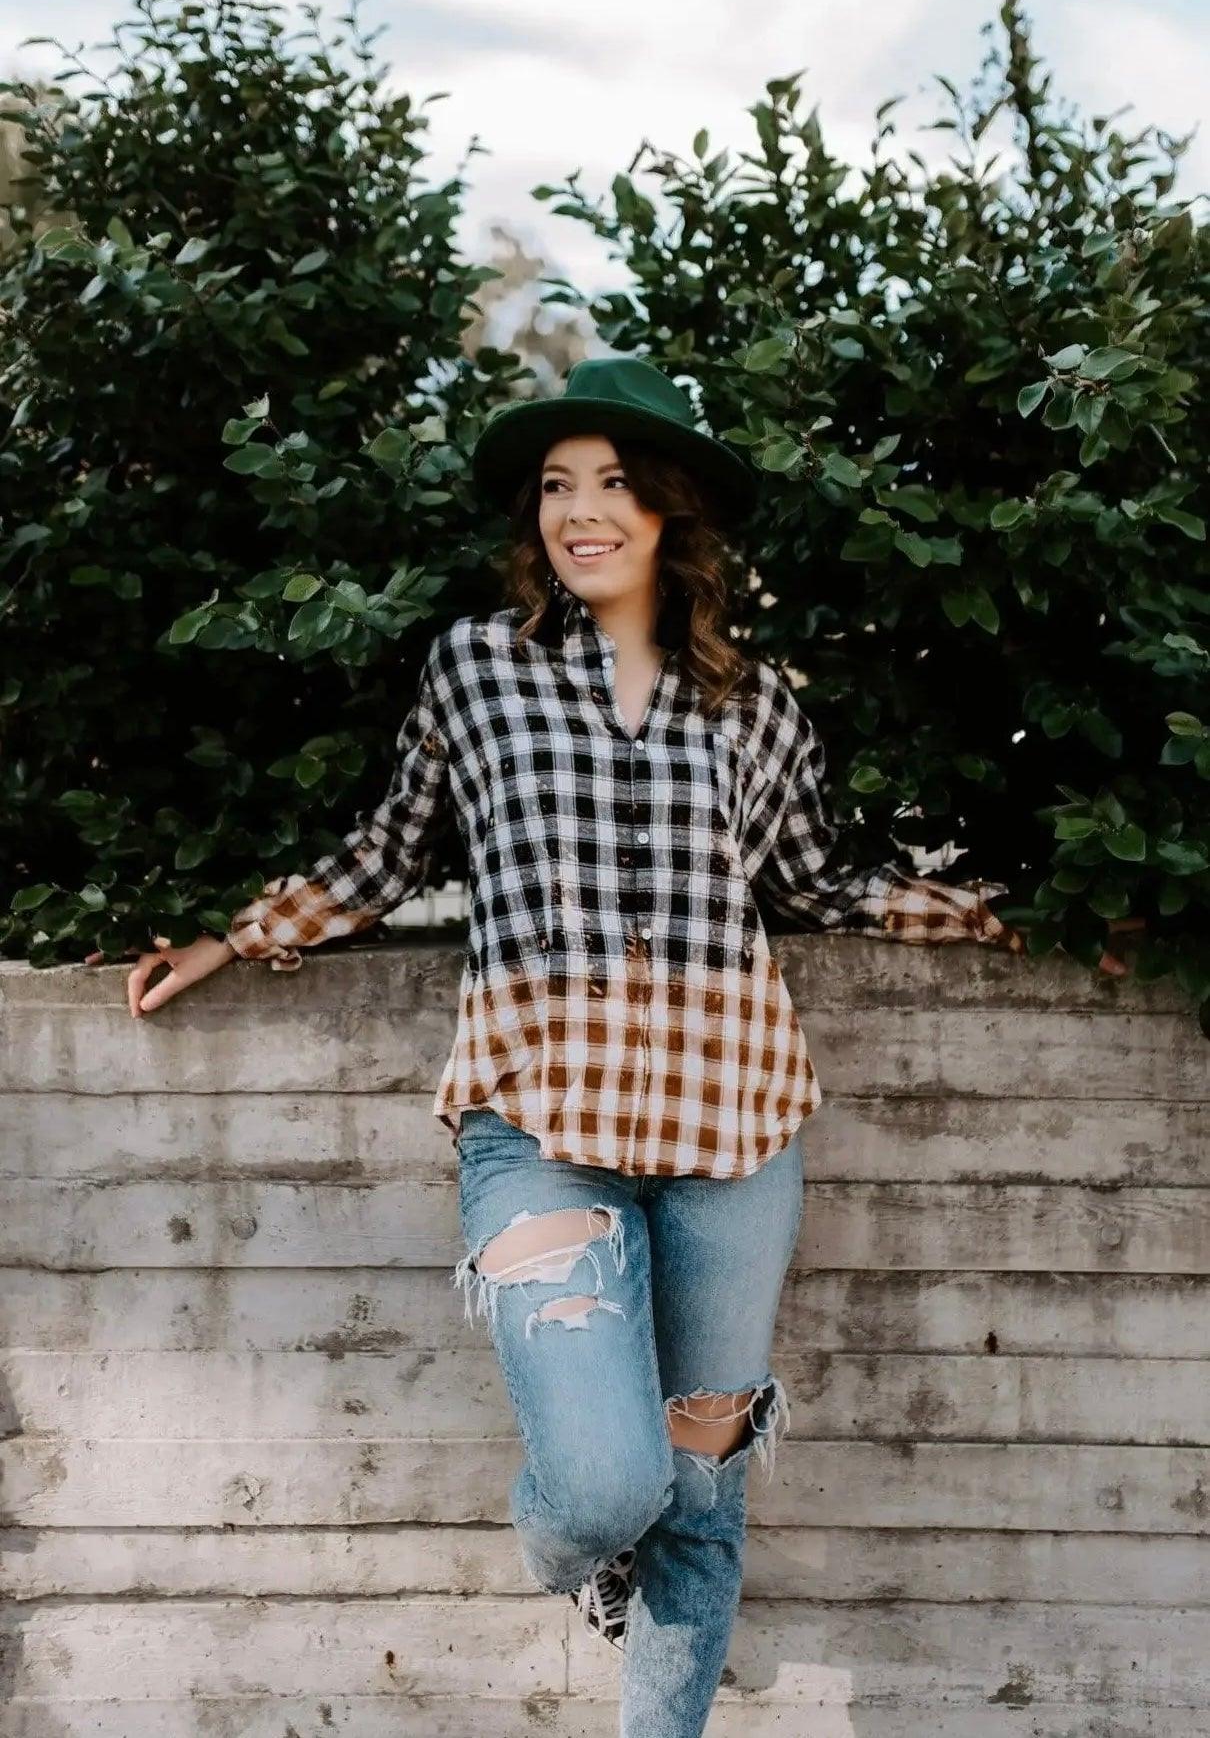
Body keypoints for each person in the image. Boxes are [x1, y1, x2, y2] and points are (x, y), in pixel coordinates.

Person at [117, 354, 1028, 1736]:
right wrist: (235, 940)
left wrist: (1014, 917)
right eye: (556, 486)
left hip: (735, 1127)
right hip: (540, 1123)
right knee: (612, 1487)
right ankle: (593, 1555)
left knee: (701, 1497)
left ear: (670, 511)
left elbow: (816, 881)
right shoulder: (478, 667)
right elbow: (391, 850)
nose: (579, 512)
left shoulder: (756, 703)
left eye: (612, 484)